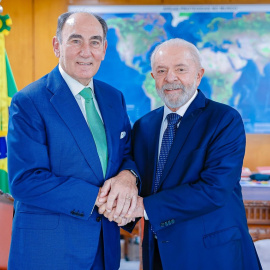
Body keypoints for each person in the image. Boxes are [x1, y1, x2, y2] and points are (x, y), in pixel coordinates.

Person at [102, 38, 262, 269]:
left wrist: (141, 206)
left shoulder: (224, 119)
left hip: (213, 256)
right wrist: (121, 198)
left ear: (199, 75)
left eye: (180, 69)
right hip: (158, 254)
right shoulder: (143, 126)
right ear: (153, 78)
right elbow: (138, 175)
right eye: (161, 70)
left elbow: (214, 190)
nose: (170, 78)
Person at [7, 11, 139, 270]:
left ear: (104, 49)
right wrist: (100, 199)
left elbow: (127, 154)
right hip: (50, 251)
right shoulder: (29, 101)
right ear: (57, 45)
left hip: (105, 248)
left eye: (95, 41)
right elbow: (25, 180)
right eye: (75, 40)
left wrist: (129, 175)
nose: (86, 51)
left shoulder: (114, 98)